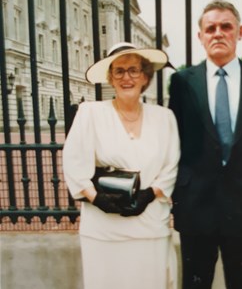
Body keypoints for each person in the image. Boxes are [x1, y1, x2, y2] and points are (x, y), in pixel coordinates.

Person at [169, 0, 242, 289]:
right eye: (210, 28)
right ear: (200, 36)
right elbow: (172, 145)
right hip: (196, 210)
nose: (218, 33)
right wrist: (175, 205)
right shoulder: (182, 83)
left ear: (240, 32)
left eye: (226, 26)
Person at [63, 42, 180, 289]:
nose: (127, 77)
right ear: (110, 78)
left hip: (150, 227)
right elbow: (74, 163)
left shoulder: (164, 117)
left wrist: (149, 194)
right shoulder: (90, 113)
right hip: (104, 230)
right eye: (119, 71)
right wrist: (98, 200)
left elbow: (171, 165)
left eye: (134, 70)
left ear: (145, 76)